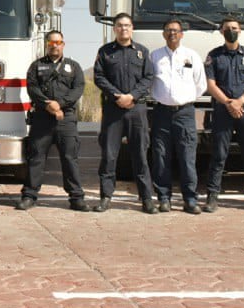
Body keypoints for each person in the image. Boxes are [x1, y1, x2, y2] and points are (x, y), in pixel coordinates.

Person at [203, 17, 244, 213]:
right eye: (227, 28)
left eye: (234, 28)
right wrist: (228, 102)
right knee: (219, 155)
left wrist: (240, 101)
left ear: (240, 31)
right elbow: (210, 84)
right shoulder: (213, 56)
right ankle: (212, 197)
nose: (230, 31)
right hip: (223, 109)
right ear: (221, 32)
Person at [17, 30, 88, 212]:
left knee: (70, 158)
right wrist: (48, 105)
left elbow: (78, 89)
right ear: (47, 45)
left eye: (58, 42)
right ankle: (29, 196)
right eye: (51, 42)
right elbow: (32, 88)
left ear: (63, 44)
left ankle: (76, 197)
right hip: (42, 119)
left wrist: (59, 105)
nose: (55, 45)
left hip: (66, 120)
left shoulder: (74, 67)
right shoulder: (36, 66)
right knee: (36, 158)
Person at [92, 13, 156, 213]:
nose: (123, 29)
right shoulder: (105, 52)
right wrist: (117, 95)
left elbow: (149, 77)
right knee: (109, 156)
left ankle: (146, 198)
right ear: (115, 29)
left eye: (127, 25)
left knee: (140, 155)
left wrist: (132, 96)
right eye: (119, 25)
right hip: (113, 110)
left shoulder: (142, 52)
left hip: (136, 110)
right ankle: (106, 197)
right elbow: (99, 77)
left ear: (132, 28)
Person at [150, 18, 207, 214]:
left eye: (176, 30)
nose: (172, 33)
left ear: (182, 34)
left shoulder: (192, 55)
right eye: (168, 30)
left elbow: (201, 85)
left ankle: (190, 199)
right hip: (161, 112)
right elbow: (149, 83)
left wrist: (184, 99)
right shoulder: (155, 56)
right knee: (161, 156)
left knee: (187, 156)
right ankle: (163, 198)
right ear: (163, 34)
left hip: (185, 113)